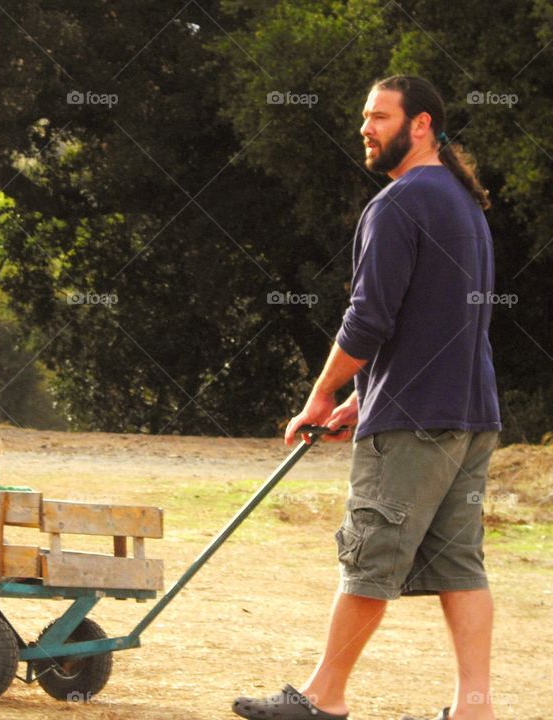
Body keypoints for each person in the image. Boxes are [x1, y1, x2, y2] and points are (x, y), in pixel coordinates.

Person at [232, 76, 501, 720]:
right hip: (470, 415)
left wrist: (322, 394)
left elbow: (368, 320)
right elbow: (437, 323)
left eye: (379, 117)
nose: (365, 128)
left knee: (369, 555)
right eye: (363, 117)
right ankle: (475, 708)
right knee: (460, 566)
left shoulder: (400, 203)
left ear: (421, 125)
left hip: (415, 424)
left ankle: (323, 698)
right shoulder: (465, 205)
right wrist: (365, 394)